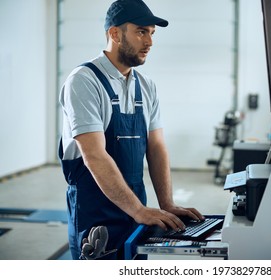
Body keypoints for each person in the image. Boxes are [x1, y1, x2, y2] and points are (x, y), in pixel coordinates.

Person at [58, 0, 204, 260]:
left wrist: (166, 203)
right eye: (141, 31)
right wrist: (138, 210)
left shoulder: (146, 86)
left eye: (152, 33)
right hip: (96, 212)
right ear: (115, 33)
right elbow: (94, 155)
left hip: (136, 205)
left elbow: (156, 146)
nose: (149, 42)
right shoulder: (83, 82)